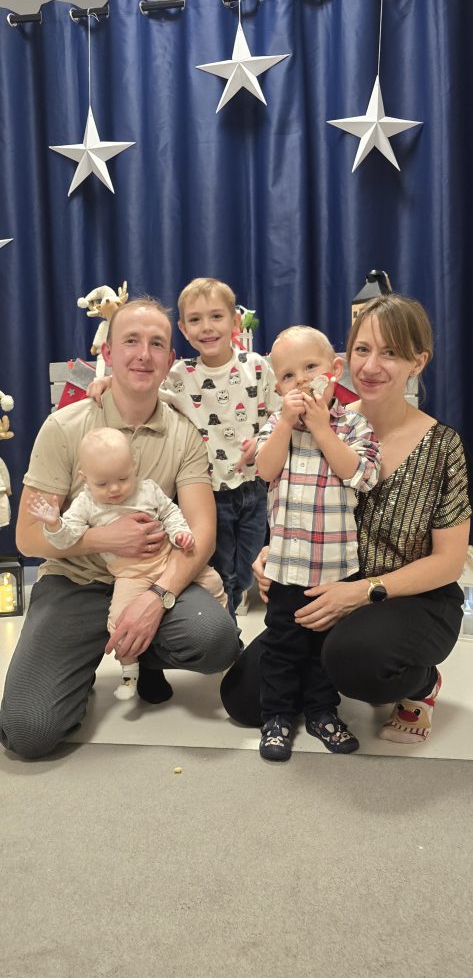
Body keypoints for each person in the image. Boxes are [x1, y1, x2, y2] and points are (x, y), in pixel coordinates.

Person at [221, 295, 472, 749]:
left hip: (409, 596)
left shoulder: (442, 446)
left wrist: (362, 592)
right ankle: (319, 684)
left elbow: (449, 563)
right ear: (346, 358)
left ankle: (420, 684)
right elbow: (290, 496)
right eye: (362, 350)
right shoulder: (314, 424)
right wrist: (270, 553)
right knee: (244, 699)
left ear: (418, 362)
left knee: (354, 659)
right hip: (322, 582)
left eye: (390, 352)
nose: (371, 366)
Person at [0, 297, 239, 758]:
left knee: (216, 640)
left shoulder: (184, 432)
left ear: (170, 360)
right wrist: (102, 538)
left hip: (149, 576)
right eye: (131, 341)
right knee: (29, 733)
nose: (143, 355)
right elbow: (27, 536)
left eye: (157, 344)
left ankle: (143, 652)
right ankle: (78, 668)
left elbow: (202, 533)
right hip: (74, 582)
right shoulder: (64, 427)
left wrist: (157, 597)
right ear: (107, 352)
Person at [91, 278, 280, 621]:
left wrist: (264, 440)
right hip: (210, 492)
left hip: (253, 488)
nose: (206, 327)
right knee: (222, 571)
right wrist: (108, 380)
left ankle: (233, 606)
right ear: (183, 329)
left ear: (235, 321)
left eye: (216, 317)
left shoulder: (256, 366)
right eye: (195, 320)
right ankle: (228, 630)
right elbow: (140, 385)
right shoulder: (180, 375)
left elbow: (278, 415)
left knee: (246, 567)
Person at [27, 427, 226, 701]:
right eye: (102, 484)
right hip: (131, 574)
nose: (114, 489)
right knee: (119, 622)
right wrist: (54, 524)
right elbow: (67, 538)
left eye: (123, 478)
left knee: (214, 581)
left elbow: (170, 511)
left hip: (168, 559)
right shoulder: (86, 503)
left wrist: (180, 533)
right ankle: (130, 671)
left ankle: (230, 628)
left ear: (133, 466)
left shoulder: (147, 489)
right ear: (85, 478)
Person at [255, 326, 381, 761]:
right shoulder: (277, 426)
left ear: (335, 370)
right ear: (278, 388)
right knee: (282, 645)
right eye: (289, 376)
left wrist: (323, 429)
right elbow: (265, 470)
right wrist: (285, 424)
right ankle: (276, 716)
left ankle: (322, 712)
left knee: (324, 649)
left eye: (311, 368)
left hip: (335, 569)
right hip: (287, 567)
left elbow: (362, 476)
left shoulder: (354, 425)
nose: (302, 381)